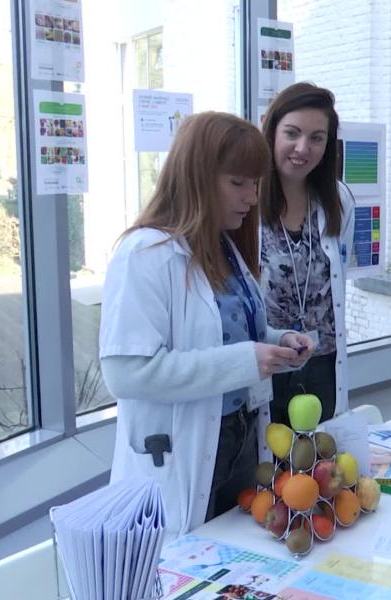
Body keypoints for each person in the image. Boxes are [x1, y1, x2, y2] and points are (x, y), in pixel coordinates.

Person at [99, 112, 314, 539]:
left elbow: (226, 334)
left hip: (238, 443)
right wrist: (247, 360)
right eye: (238, 183)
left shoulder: (225, 246)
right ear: (196, 177)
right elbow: (125, 373)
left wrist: (278, 343)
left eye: (256, 183)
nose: (252, 197)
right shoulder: (145, 254)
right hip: (186, 453)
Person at [259, 82, 353, 427]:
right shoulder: (246, 203)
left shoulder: (338, 200)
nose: (303, 148)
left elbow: (338, 277)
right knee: (269, 471)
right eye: (292, 133)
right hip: (267, 364)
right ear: (271, 134)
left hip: (323, 363)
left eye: (317, 138)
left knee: (322, 471)